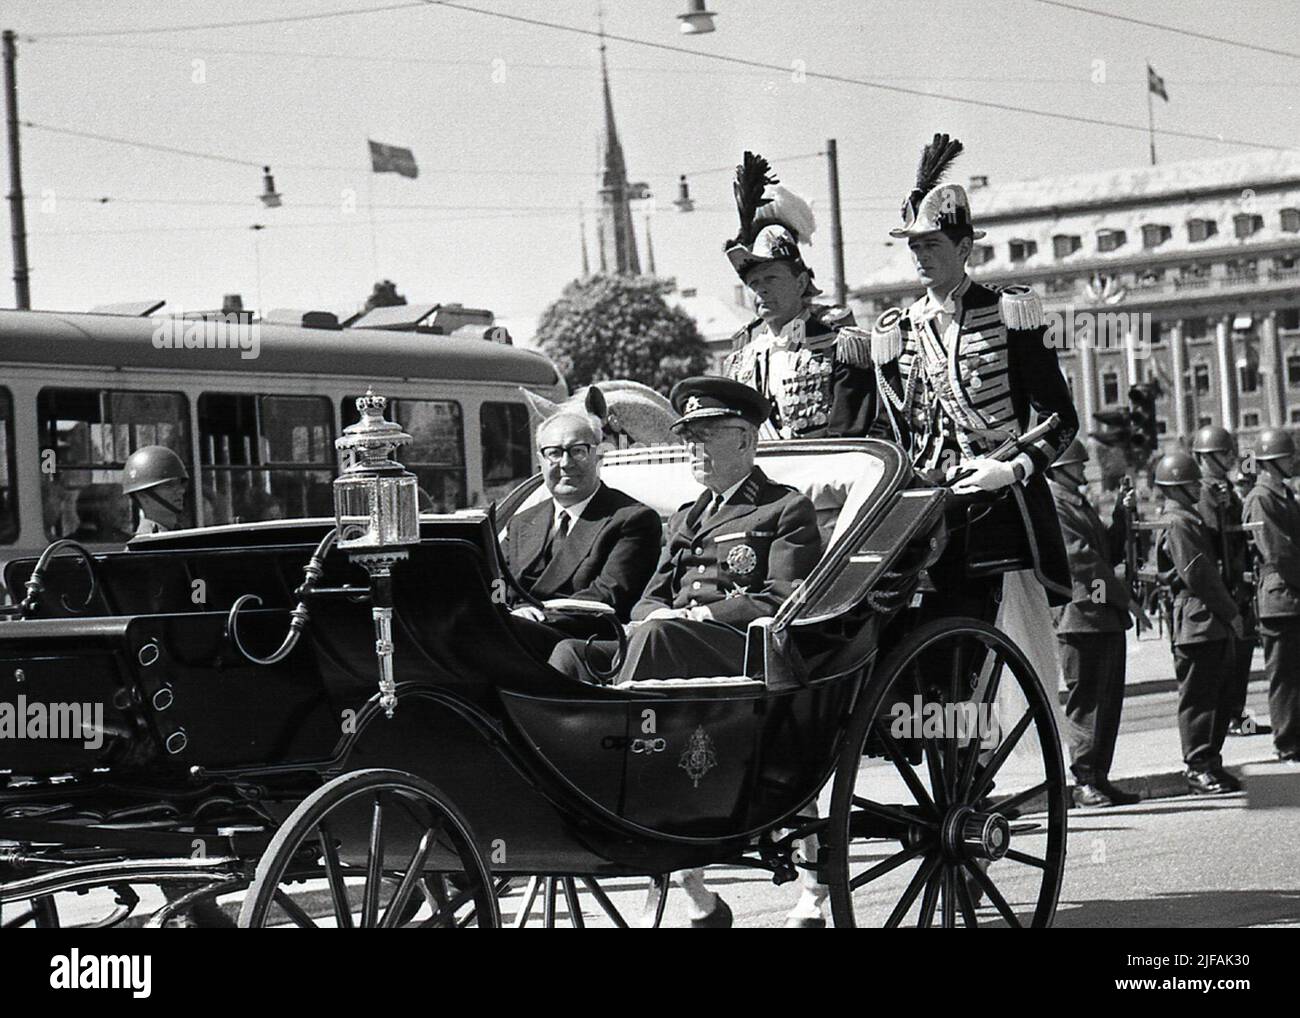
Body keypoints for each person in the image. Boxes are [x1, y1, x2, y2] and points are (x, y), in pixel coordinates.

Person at [548, 377, 823, 928]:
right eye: (689, 437)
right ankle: (575, 779)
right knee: (570, 656)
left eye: (705, 436)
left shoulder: (784, 508)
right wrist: (651, 615)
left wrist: (694, 618)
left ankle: (623, 776)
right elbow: (654, 592)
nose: (692, 448)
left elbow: (783, 596)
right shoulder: (687, 515)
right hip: (672, 649)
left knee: (656, 636)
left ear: (745, 440)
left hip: (742, 656)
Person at [871, 133, 1078, 626]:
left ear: (964, 247)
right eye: (914, 245)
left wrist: (1012, 470)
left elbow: (1060, 418)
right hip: (925, 502)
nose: (921, 256)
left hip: (996, 503)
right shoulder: (896, 331)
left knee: (991, 630)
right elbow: (891, 431)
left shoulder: (1011, 314)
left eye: (933, 244)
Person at [720, 152, 877, 439]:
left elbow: (850, 438)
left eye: (771, 278)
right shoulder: (740, 362)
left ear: (800, 281)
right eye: (753, 282)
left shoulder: (838, 347)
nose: (761, 288)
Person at [502, 411, 661, 646]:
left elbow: (608, 595)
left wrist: (534, 616)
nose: (566, 463)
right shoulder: (521, 522)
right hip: (517, 629)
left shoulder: (632, 519)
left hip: (581, 642)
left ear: (598, 456)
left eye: (578, 451)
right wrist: (506, 611)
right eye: (554, 453)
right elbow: (495, 580)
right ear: (540, 461)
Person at [1047, 439, 1146, 807]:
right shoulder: (1056, 504)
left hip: (1101, 617)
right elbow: (1083, 564)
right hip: (1080, 617)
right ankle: (1084, 779)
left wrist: (1122, 514)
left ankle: (1099, 776)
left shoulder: (1076, 502)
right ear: (1060, 467)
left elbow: (1107, 548)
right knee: (1086, 701)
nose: (1083, 469)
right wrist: (1125, 600)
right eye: (1078, 464)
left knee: (1107, 703)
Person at [1153, 452, 1246, 794]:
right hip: (1197, 620)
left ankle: (1211, 761)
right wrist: (1231, 612)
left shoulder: (1189, 518)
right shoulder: (1177, 521)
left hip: (1208, 620)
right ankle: (1196, 766)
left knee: (1219, 695)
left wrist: (1222, 510)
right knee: (1199, 699)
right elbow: (1198, 574)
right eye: (1191, 483)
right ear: (1176, 487)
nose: (1197, 487)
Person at [1192, 425, 1264, 737]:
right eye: (1223, 454)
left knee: (1242, 656)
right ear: (1206, 457)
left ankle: (1237, 716)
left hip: (1240, 584)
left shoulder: (1226, 491)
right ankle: (1228, 720)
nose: (1230, 458)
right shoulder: (1203, 492)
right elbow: (1213, 540)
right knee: (1227, 663)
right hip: (1224, 587)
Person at [1241, 428, 1300, 765]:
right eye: (1286, 456)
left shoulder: (1285, 495)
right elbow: (1279, 552)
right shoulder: (1260, 499)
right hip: (1280, 599)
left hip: (1292, 597)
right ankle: (1287, 742)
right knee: (1284, 678)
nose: (1292, 460)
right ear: (1271, 462)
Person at [122, 445, 191, 534]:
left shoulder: (184, 537)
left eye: (180, 483)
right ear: (143, 496)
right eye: (169, 485)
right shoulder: (144, 546)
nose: (181, 490)